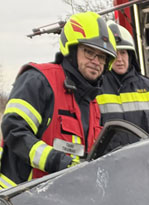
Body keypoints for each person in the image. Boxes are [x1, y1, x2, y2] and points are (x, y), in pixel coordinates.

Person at [0, 12, 117, 189]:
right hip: (19, 200)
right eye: (89, 52)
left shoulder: (93, 104)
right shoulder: (39, 81)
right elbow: (15, 130)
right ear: (72, 50)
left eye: (101, 57)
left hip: (60, 202)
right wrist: (58, 161)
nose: (96, 61)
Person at [97, 22, 149, 142]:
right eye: (115, 53)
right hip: (111, 159)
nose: (119, 59)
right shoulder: (97, 88)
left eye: (123, 53)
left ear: (130, 55)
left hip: (143, 157)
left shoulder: (147, 86)